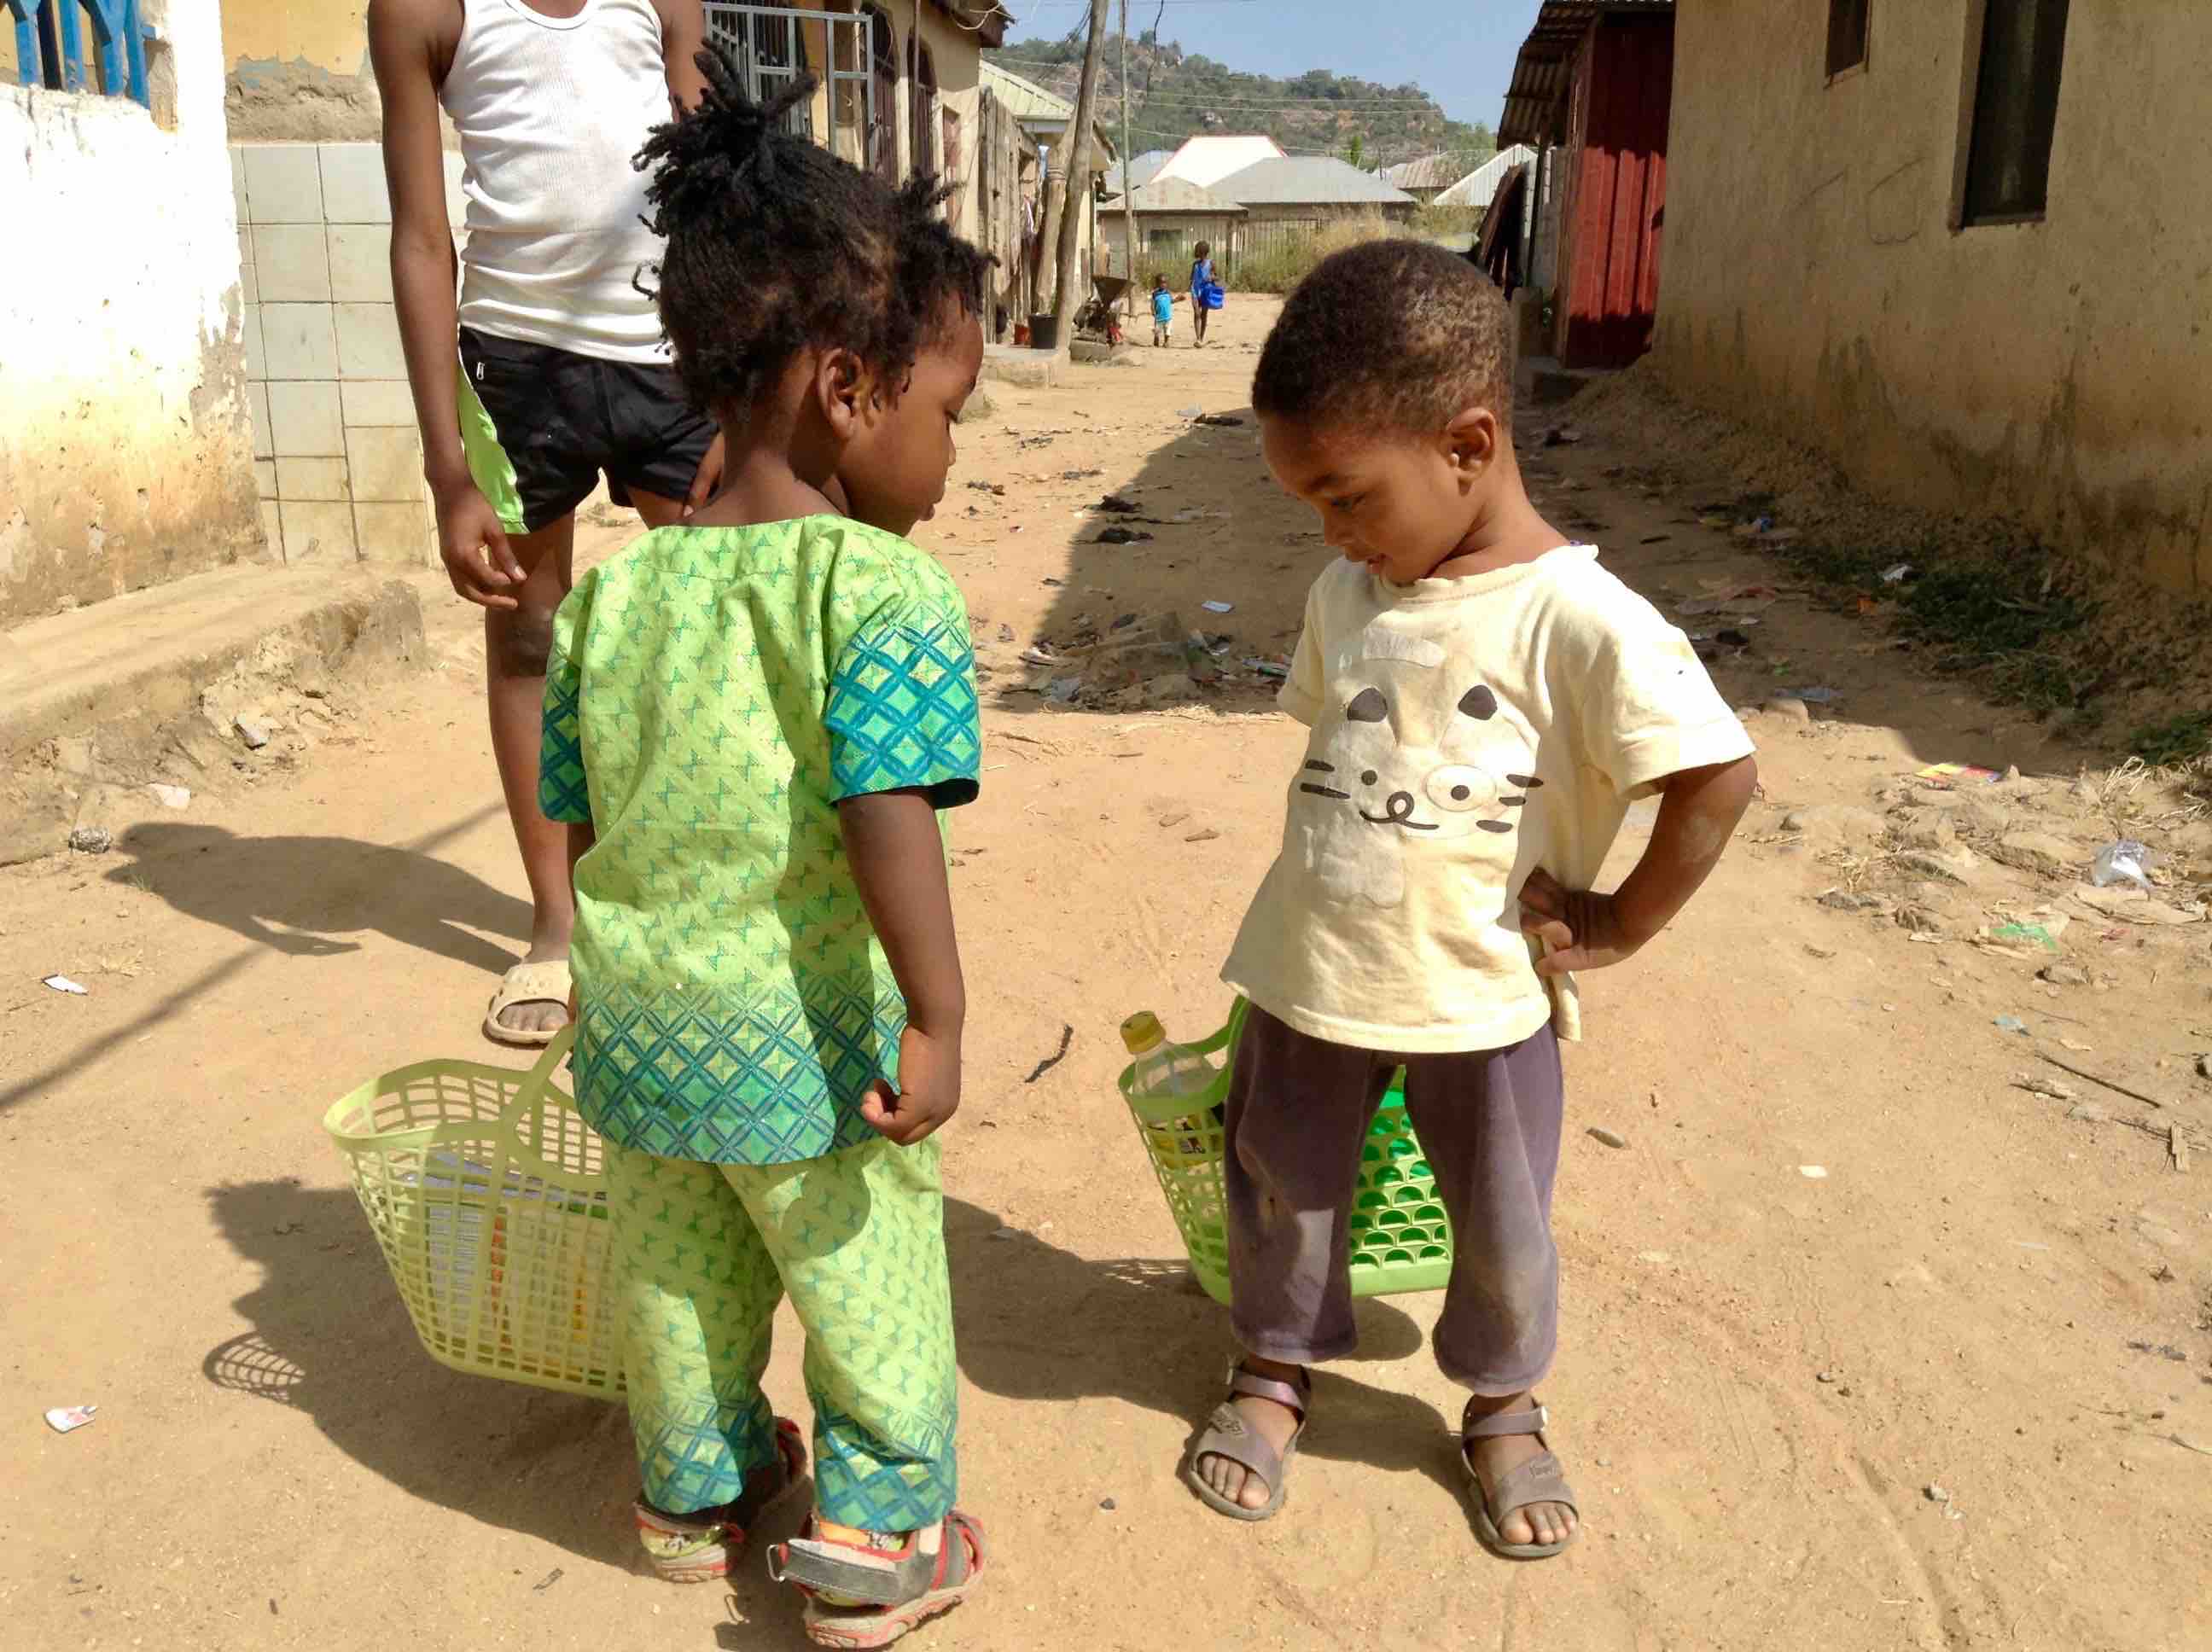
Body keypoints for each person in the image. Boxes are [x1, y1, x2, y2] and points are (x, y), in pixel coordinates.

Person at [1183, 241, 1758, 1560]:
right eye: (1312, 506)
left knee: (1502, 1220)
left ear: (1468, 445)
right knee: (1279, 1184)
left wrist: (1618, 922)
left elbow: (1719, 776)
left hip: (1485, 996)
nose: (1333, 532)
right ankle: (1273, 1369)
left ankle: (1504, 1405)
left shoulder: (1579, 617)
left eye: (1346, 496)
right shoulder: (1347, 592)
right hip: (1313, 972)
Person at [541, 58, 992, 1647]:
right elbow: (886, 813)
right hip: (804, 1048)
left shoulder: (613, 593)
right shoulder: (876, 591)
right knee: (867, 1274)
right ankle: (879, 1534)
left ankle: (696, 1494)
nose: (949, 456)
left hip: (642, 1026)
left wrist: (613, 959)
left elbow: (580, 808)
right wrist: (936, 1014)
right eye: (948, 414)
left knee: (681, 1274)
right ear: (848, 389)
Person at [369, 0, 724, 1045]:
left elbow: (716, 183)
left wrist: (743, 383)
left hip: (674, 358)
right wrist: (448, 472)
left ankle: (709, 897)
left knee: (724, 621)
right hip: (516, 366)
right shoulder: (424, 11)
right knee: (527, 635)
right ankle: (558, 925)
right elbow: (421, 239)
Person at [1190, 241, 1216, 347]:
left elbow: (1216, 277)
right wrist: (1188, 288)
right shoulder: (1195, 264)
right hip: (1195, 291)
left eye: (1201, 253)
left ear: (1205, 252)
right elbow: (1191, 278)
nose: (1199, 255)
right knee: (1197, 313)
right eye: (1198, 253)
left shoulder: (1211, 263)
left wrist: (1211, 278)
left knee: (1204, 314)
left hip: (1206, 291)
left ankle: (1201, 338)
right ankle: (1198, 338)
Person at [1150, 272, 1185, 347]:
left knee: (1167, 330)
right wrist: (1153, 311)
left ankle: (1166, 342)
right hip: (1159, 316)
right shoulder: (1155, 293)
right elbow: (1152, 303)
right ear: (1157, 284)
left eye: (1165, 283)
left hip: (1168, 316)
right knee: (1157, 330)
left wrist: (1178, 299)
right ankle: (1156, 339)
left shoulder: (1168, 292)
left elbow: (1171, 301)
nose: (1164, 284)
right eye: (1162, 283)